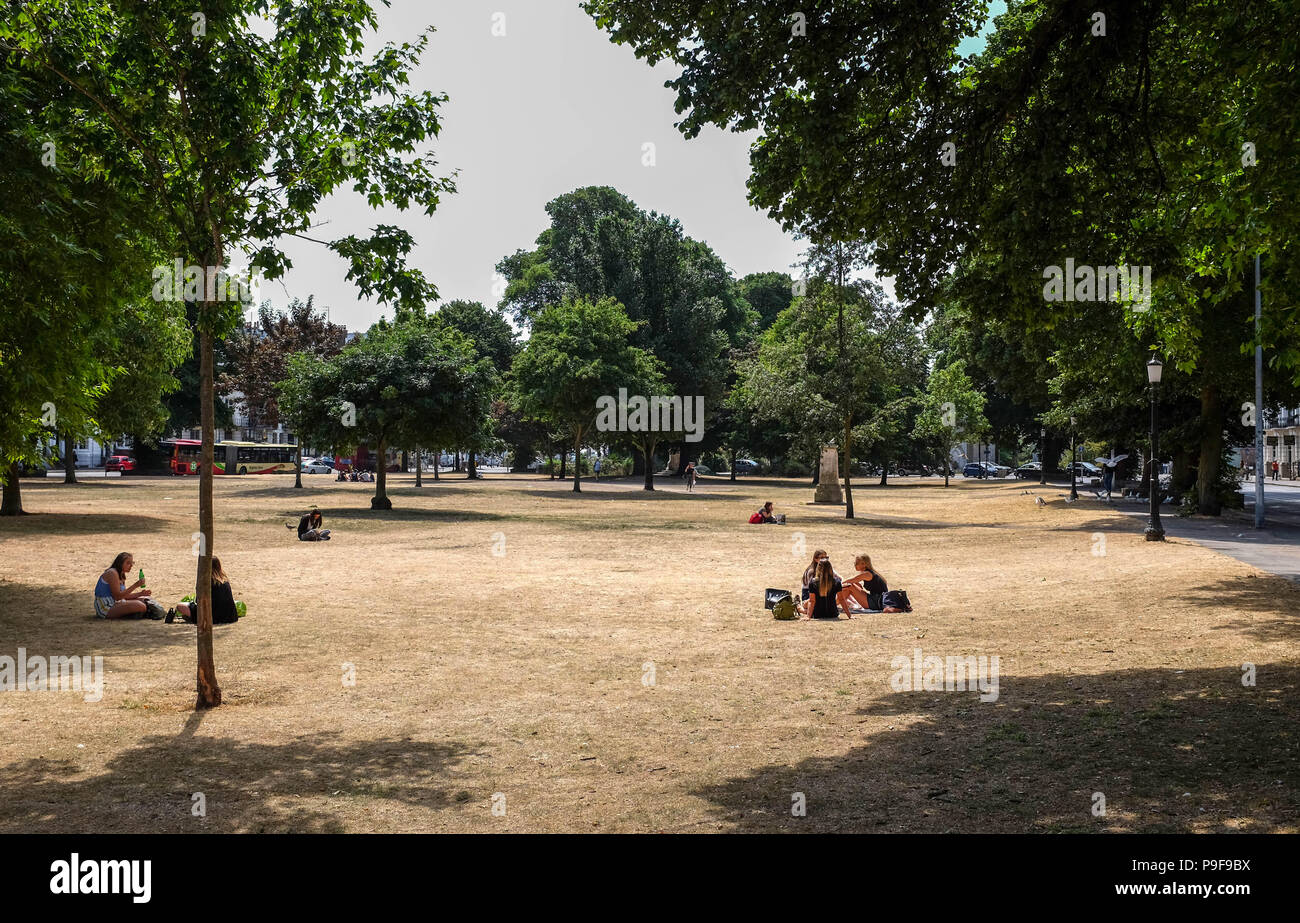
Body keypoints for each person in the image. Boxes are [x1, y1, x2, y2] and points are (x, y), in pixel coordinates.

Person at [168, 557, 239, 625]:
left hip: (211, 617)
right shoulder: (225, 581)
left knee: (180, 606)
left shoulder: (206, 582)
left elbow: (199, 601)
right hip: (230, 617)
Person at [93, 552, 156, 619]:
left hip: (116, 603)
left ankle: (136, 613)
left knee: (146, 600)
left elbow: (124, 596)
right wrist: (135, 585)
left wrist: (140, 594)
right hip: (106, 607)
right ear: (120, 563)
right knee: (140, 605)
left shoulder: (121, 574)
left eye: (132, 563)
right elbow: (117, 596)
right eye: (128, 563)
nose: (131, 565)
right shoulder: (112, 573)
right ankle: (136, 613)